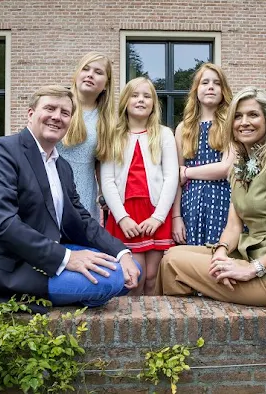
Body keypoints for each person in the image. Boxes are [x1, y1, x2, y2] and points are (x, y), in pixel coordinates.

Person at [0, 86, 140, 312]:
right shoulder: (1, 151)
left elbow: (82, 220)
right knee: (111, 281)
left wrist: (121, 252)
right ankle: (79, 295)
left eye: (65, 113)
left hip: (47, 255)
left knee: (130, 268)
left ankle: (80, 293)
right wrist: (67, 258)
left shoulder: (62, 166)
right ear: (30, 114)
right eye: (50, 108)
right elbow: (2, 223)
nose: (57, 117)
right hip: (9, 267)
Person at [155, 87, 266, 306]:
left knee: (174, 263)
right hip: (249, 253)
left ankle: (182, 326)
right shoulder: (240, 166)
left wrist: (252, 269)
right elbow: (233, 226)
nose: (244, 122)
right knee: (172, 254)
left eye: (253, 115)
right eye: (237, 116)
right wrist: (221, 252)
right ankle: (193, 322)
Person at [100, 77, 178, 295]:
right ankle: (133, 324)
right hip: (125, 214)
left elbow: (171, 177)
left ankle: (152, 325)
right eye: (135, 95)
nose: (141, 100)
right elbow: (107, 180)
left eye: (147, 96)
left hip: (155, 212)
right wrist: (122, 217)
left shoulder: (164, 134)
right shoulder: (113, 135)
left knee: (153, 277)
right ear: (125, 101)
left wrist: (159, 217)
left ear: (154, 103)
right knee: (135, 275)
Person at [171, 63, 234, 246]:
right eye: (205, 82)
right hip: (191, 204)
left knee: (219, 260)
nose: (211, 87)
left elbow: (226, 167)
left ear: (223, 90)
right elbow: (177, 179)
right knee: (191, 263)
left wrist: (187, 172)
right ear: (196, 90)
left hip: (223, 202)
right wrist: (176, 216)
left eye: (217, 83)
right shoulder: (184, 129)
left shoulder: (230, 125)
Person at [57, 52, 116, 222]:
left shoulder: (107, 120)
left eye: (98, 72)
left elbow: (101, 162)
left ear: (106, 84)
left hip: (84, 192)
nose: (90, 74)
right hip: (50, 188)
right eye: (86, 69)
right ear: (77, 75)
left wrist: (105, 192)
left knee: (82, 244)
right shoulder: (58, 105)